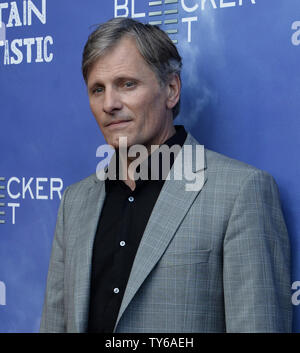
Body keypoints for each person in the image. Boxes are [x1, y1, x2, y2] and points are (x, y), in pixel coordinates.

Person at [40, 18, 292, 333]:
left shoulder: (240, 192)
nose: (109, 104)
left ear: (171, 90)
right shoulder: (75, 203)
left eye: (127, 84)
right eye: (97, 89)